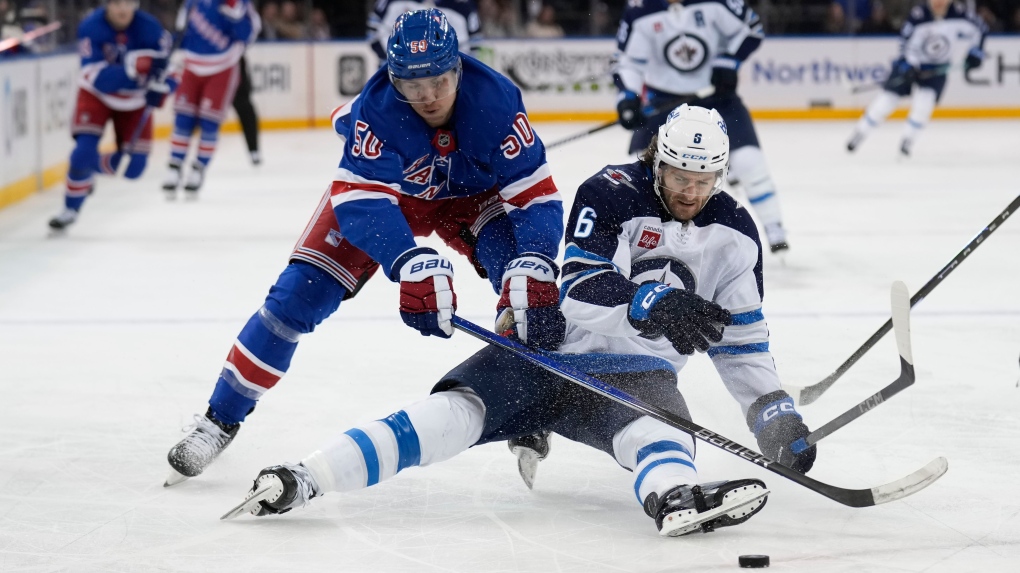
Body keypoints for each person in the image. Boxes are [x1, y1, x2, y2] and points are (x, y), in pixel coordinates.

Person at [222, 105, 816, 538]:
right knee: (447, 416)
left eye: (703, 181)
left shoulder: (736, 235)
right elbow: (580, 286)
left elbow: (740, 340)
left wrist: (772, 409)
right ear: (657, 160)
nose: (690, 191)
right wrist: (651, 303)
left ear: (720, 175)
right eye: (680, 177)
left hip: (633, 371)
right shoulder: (610, 192)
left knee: (658, 434)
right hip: (547, 352)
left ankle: (674, 499)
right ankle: (307, 476)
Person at [164, 9, 563, 486]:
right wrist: (406, 259)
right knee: (293, 301)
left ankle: (527, 404)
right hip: (387, 202)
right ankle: (219, 418)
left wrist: (535, 257)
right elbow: (359, 201)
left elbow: (535, 194)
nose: (428, 96)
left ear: (458, 66)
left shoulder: (496, 100)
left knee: (527, 290)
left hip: (468, 199)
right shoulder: (375, 111)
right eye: (413, 85)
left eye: (438, 80)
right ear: (392, 78)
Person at [613, 0, 791, 254]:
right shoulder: (639, 10)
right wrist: (627, 96)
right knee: (641, 169)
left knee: (749, 161)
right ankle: (647, 236)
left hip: (718, 99)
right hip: (664, 102)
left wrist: (729, 61)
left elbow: (752, 29)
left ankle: (774, 227)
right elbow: (627, 61)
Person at [47, 0, 173, 231]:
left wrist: (165, 88)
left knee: (134, 168)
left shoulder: (151, 28)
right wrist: (135, 71)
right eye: (116, 3)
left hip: (135, 101)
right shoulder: (91, 26)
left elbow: (170, 70)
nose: (122, 9)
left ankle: (87, 170)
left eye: (127, 3)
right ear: (106, 4)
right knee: (83, 151)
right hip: (96, 94)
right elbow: (97, 77)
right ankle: (70, 209)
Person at [846, 0, 987, 157]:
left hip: (936, 68)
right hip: (910, 65)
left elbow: (980, 29)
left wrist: (976, 50)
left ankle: (908, 141)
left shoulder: (961, 14)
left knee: (924, 105)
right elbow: (904, 43)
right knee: (887, 100)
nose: (939, 2)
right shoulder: (918, 16)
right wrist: (909, 65)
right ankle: (860, 133)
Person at [161, 0, 260, 199]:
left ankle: (198, 169)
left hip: (223, 67)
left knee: (209, 122)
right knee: (183, 119)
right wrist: (170, 58)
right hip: (191, 65)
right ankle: (174, 166)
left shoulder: (240, 4)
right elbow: (181, 31)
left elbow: (248, 35)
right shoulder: (192, 3)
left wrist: (234, 14)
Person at [368, 0, 481, 62]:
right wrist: (398, 64)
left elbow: (474, 45)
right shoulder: (390, 2)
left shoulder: (463, 5)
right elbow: (374, 35)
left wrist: (449, 67)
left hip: (448, 83)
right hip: (394, 80)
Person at [232, 53, 260, 165]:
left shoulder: (237, 50)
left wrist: (246, 88)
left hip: (239, 90)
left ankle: (254, 150)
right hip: (216, 83)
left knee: (249, 117)